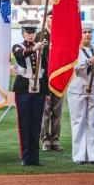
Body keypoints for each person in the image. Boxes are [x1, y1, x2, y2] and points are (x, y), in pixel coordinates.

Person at [67, 22, 94, 165]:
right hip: (77, 89)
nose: (88, 34)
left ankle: (93, 155)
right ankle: (78, 156)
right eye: (84, 32)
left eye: (90, 32)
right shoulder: (73, 51)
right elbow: (75, 69)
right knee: (78, 122)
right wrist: (88, 62)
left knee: (93, 123)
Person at [12, 20, 47, 166]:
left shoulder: (42, 47)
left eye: (33, 33)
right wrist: (35, 49)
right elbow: (21, 55)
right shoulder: (17, 46)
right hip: (23, 89)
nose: (31, 35)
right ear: (23, 33)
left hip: (39, 89)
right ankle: (26, 157)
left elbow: (46, 66)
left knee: (36, 124)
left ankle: (35, 157)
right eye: (28, 32)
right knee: (25, 123)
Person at [38, 10, 64, 151]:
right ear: (45, 18)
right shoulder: (40, 36)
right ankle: (45, 139)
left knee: (57, 111)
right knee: (45, 111)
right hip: (45, 79)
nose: (53, 19)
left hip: (59, 79)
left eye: (55, 16)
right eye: (50, 16)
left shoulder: (61, 35)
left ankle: (55, 139)